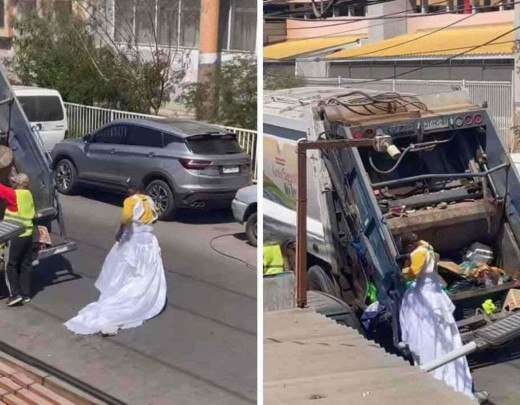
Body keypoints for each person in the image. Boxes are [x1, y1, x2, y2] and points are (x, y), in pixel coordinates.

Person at [64, 182, 167, 336]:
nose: (127, 192)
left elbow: (126, 218)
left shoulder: (131, 201)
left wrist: (120, 232)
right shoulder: (149, 200)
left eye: (129, 190)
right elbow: (155, 218)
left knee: (121, 268)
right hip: (148, 240)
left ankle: (120, 293)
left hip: (133, 239)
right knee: (144, 271)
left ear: (135, 190)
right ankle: (141, 294)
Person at [399, 239, 474, 399]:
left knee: (427, 337)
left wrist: (401, 271)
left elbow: (413, 273)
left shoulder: (419, 252)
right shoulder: (430, 249)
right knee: (445, 336)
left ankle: (436, 374)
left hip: (426, 297)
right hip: (435, 294)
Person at [0, 173, 35, 306]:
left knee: (11, 265)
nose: (12, 183)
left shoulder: (14, 195)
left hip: (16, 236)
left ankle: (15, 295)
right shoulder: (28, 194)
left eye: (14, 182)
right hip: (28, 235)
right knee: (25, 265)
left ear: (18, 184)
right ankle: (26, 295)